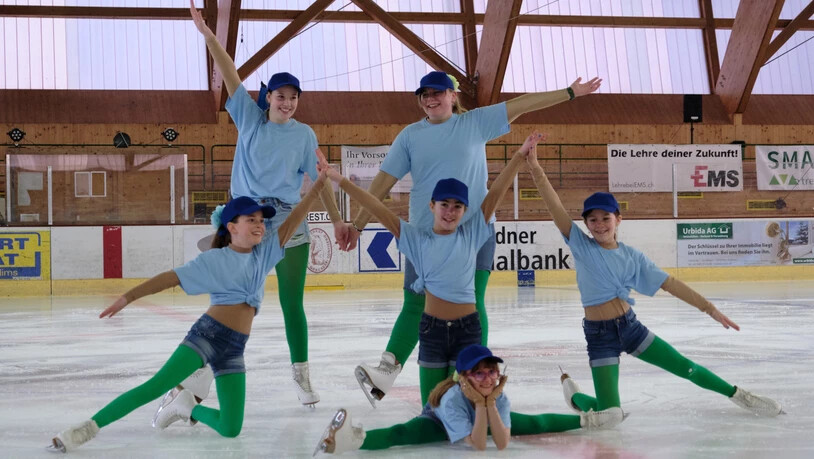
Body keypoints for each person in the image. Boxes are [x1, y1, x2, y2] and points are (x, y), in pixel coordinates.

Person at [349, 70, 602, 405]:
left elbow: (521, 105)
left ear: (453, 96)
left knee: (472, 302)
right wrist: (357, 225)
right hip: (427, 235)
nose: (430, 99)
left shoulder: (474, 124)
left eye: (438, 92)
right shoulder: (410, 136)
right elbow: (382, 181)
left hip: (475, 231)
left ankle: (471, 370)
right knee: (415, 302)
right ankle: (386, 371)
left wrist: (569, 92)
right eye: (424, 94)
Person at [47, 173, 329, 453]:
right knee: (155, 386)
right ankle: (83, 430)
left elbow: (293, 220)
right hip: (207, 336)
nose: (259, 224)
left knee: (231, 429)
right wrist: (129, 296)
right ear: (231, 226)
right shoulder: (215, 259)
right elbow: (170, 278)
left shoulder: (265, 253)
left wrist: (317, 186)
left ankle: (186, 406)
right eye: (250, 220)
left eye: (260, 220)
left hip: (234, 349)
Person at [523, 146, 784, 418]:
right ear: (586, 224)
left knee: (685, 367)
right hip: (599, 336)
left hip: (630, 327)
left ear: (618, 220)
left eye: (605, 218)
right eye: (593, 220)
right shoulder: (581, 245)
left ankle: (740, 395)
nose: (599, 224)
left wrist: (709, 308)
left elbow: (669, 283)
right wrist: (535, 168)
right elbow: (555, 208)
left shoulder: (632, 256)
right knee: (612, 413)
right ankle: (576, 396)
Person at [188, 0, 353, 406]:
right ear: (268, 98)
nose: (287, 103)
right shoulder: (248, 116)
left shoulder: (304, 135)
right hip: (243, 220)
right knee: (229, 301)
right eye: (281, 96)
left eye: (293, 97)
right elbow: (229, 71)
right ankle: (199, 379)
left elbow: (319, 180)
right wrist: (209, 35)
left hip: (286, 220)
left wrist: (335, 222)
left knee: (292, 303)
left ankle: (301, 376)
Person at [324, 132, 542, 404]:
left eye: (457, 206)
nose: (450, 212)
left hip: (467, 330)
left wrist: (519, 157)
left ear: (466, 210)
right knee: (432, 408)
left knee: (459, 406)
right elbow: (375, 206)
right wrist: (338, 179)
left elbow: (496, 192)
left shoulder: (472, 234)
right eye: (444, 205)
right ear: (431, 206)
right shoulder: (415, 239)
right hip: (432, 332)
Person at [315, 344, 624, 455]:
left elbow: (501, 444)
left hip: (482, 414)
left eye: (491, 371)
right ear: (462, 378)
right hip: (438, 423)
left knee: (532, 423)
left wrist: (489, 404)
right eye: (479, 374)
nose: (489, 378)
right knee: (405, 433)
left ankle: (589, 420)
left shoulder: (497, 393)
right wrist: (483, 406)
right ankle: (353, 441)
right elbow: (475, 445)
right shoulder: (450, 400)